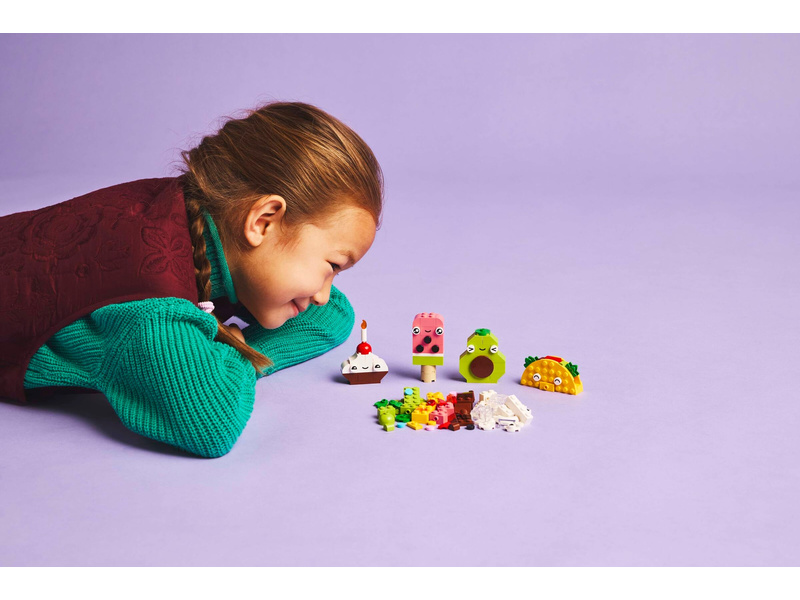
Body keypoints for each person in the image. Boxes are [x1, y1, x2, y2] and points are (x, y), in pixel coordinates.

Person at [0, 102, 383, 458]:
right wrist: (239, 354)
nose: (323, 294)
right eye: (332, 265)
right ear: (263, 221)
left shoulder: (201, 218)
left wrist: (231, 349)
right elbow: (210, 424)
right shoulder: (150, 312)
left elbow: (334, 313)